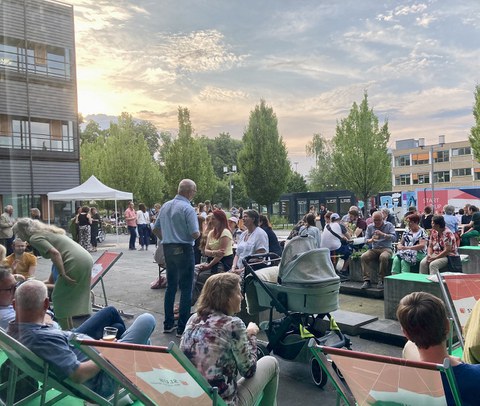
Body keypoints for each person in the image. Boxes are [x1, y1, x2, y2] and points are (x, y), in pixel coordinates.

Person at [8, 280, 155, 398]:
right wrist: (107, 352)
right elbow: (78, 375)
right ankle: (137, 385)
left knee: (138, 340)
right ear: (46, 304)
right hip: (103, 378)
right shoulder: (41, 339)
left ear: (14, 304)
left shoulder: (14, 331)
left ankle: (137, 378)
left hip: (93, 357)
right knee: (146, 320)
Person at [180, 273, 279, 406]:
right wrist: (251, 336)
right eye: (238, 293)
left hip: (194, 399)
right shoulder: (233, 324)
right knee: (271, 363)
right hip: (221, 402)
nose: (242, 297)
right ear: (227, 298)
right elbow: (248, 371)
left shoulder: (193, 319)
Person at [397, 291, 479, 405]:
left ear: (406, 334)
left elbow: (410, 347)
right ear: (447, 325)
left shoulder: (398, 382)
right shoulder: (475, 376)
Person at [13, 218, 92, 329]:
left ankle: (67, 333)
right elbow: (56, 255)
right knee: (73, 293)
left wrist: (62, 273)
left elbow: (55, 253)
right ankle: (75, 328)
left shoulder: (34, 238)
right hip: (84, 257)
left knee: (58, 297)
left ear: (23, 231)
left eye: (17, 232)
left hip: (74, 260)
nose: (18, 236)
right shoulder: (45, 232)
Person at [153, 179, 200, 337]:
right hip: (184, 248)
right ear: (189, 191)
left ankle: (168, 324)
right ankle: (182, 328)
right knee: (186, 288)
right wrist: (200, 232)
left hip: (168, 248)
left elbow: (155, 229)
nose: (194, 194)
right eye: (194, 191)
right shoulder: (188, 208)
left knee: (171, 287)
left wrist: (166, 237)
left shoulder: (165, 205)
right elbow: (195, 233)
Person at [192, 210, 234, 304]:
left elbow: (221, 255)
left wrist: (209, 265)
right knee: (192, 271)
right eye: (211, 218)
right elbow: (205, 251)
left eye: (213, 219)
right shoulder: (211, 233)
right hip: (212, 261)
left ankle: (192, 302)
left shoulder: (225, 233)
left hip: (223, 263)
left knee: (201, 277)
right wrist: (214, 252)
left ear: (220, 220)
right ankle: (190, 301)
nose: (211, 221)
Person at [361, 211, 396, 289]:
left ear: (382, 219)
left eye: (379, 220)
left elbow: (394, 238)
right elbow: (365, 240)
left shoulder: (389, 225)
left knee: (383, 257)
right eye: (375, 220)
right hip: (374, 248)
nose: (377, 222)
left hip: (386, 248)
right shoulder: (370, 227)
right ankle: (367, 280)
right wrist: (371, 240)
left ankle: (381, 279)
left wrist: (383, 234)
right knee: (364, 256)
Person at [231, 209, 268, 275]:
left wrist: (242, 270)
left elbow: (259, 259)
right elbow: (237, 254)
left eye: (245, 216)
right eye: (243, 217)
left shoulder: (260, 234)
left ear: (253, 219)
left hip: (252, 271)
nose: (243, 219)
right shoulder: (243, 234)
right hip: (238, 269)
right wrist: (233, 267)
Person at [320, 213, 352, 277]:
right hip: (334, 247)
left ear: (331, 219)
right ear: (339, 219)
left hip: (324, 248)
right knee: (350, 253)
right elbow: (349, 238)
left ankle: (334, 269)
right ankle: (344, 270)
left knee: (337, 247)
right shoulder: (339, 225)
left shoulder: (326, 226)